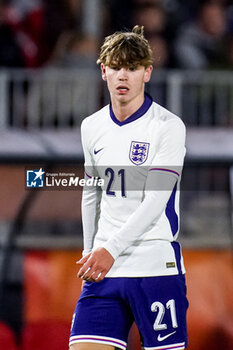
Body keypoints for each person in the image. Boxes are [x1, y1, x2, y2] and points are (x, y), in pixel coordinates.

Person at [69, 25, 188, 350]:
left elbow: (155, 200)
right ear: (103, 70)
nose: (124, 76)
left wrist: (109, 249)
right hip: (105, 268)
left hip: (154, 265)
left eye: (133, 68)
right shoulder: (91, 126)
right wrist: (89, 250)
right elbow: (91, 192)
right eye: (117, 67)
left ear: (147, 72)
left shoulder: (168, 127)